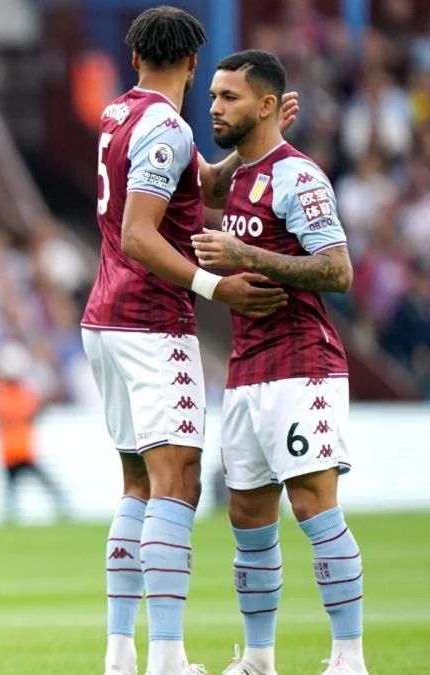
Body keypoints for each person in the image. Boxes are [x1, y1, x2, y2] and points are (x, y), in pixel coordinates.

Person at [79, 7, 298, 675]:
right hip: (149, 319)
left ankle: (120, 654)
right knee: (179, 482)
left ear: (136, 56)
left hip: (104, 319)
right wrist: (214, 286)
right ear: (195, 64)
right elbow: (144, 233)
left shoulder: (120, 113)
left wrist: (258, 137)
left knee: (139, 484)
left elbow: (196, 187)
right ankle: (167, 656)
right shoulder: (167, 128)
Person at [194, 49, 366, 675]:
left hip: (303, 364)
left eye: (228, 98)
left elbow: (338, 270)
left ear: (266, 105)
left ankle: (349, 658)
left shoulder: (300, 178)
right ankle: (260, 661)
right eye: (212, 95)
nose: (214, 106)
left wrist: (249, 254)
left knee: (314, 505)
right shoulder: (241, 172)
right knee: (246, 514)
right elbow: (206, 184)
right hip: (247, 367)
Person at [0, 341, 68, 523]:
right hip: (13, 451)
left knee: (17, 489)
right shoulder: (3, 391)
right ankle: (60, 506)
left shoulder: (8, 390)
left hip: (20, 450)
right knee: (28, 487)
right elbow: (24, 411)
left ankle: (11, 519)